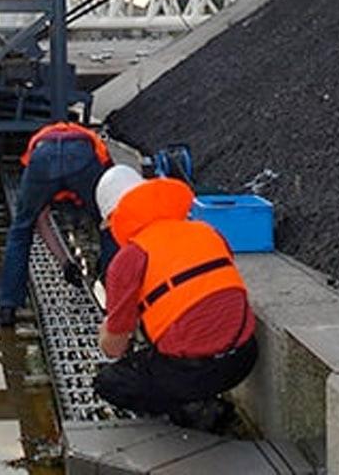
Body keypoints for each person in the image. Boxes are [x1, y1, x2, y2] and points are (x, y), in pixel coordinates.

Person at [92, 165, 258, 432]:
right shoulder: (206, 231)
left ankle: (193, 411)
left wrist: (107, 331)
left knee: (110, 381)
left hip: (189, 374)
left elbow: (114, 348)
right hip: (244, 358)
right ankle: (203, 399)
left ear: (114, 218)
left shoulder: (130, 258)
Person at [0, 121, 117, 326]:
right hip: (82, 158)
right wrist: (74, 262)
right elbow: (110, 204)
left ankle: (7, 308)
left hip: (43, 159)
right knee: (109, 225)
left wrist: (66, 263)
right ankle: (116, 302)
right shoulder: (96, 147)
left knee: (21, 229)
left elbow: (41, 220)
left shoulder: (40, 145)